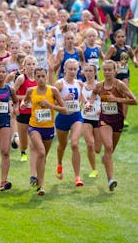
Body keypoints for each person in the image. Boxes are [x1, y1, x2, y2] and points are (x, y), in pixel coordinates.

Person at [85, 60, 137, 191]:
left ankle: (106, 158)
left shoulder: (119, 85)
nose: (107, 72)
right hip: (104, 120)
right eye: (105, 70)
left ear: (115, 71)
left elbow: (134, 101)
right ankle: (110, 180)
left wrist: (117, 99)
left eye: (110, 70)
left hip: (117, 120)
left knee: (110, 150)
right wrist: (90, 103)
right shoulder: (99, 85)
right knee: (107, 146)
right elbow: (94, 94)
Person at [22, 67, 67, 195]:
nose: (41, 79)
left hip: (48, 128)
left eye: (43, 76)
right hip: (34, 126)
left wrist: (50, 105)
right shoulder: (31, 91)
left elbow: (64, 110)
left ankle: (37, 180)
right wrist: (23, 105)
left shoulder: (52, 91)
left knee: (43, 157)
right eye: (38, 76)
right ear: (35, 77)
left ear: (46, 76)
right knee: (40, 152)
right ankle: (40, 185)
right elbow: (24, 103)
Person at [54, 58, 86, 187]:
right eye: (70, 69)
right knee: (62, 145)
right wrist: (63, 99)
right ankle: (59, 163)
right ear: (64, 69)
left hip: (76, 117)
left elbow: (82, 99)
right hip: (62, 118)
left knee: (74, 144)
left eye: (75, 69)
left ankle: (77, 177)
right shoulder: (59, 84)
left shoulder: (79, 83)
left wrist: (86, 104)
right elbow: (52, 103)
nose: (73, 72)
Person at [0, 64, 18, 191]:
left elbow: (16, 101)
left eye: (3, 72)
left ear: (6, 74)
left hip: (5, 121)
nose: (1, 74)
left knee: (5, 152)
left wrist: (14, 109)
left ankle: (3, 182)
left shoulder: (9, 89)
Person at [81, 63, 100, 178]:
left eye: (90, 71)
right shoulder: (81, 86)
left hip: (98, 119)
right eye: (86, 71)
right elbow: (78, 100)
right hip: (85, 118)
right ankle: (93, 169)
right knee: (89, 144)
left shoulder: (100, 85)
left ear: (95, 72)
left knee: (97, 149)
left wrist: (101, 109)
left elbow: (106, 100)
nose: (88, 73)